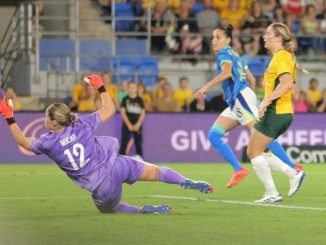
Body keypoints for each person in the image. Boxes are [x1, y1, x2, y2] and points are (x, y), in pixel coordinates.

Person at [0, 75, 213, 214]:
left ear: (53, 122)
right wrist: (101, 86)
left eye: (47, 117)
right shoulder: (80, 124)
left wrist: (10, 117)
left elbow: (23, 141)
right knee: (156, 172)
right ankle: (184, 180)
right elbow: (109, 110)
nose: (45, 120)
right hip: (116, 164)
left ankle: (144, 211)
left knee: (111, 209)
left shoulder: (48, 142)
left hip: (102, 186)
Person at [195, 24, 303, 189]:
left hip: (240, 98)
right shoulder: (236, 55)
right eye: (213, 37)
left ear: (228, 40)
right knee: (214, 135)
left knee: (259, 135)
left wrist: (205, 87)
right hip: (239, 98)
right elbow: (251, 79)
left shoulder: (224, 53)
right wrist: (249, 96)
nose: (214, 41)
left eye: (218, 37)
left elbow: (227, 73)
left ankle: (293, 168)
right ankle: (239, 169)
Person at [247, 22, 306, 203]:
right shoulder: (282, 57)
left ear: (278, 38)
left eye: (268, 33)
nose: (265, 36)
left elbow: (287, 83)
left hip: (277, 111)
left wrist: (265, 101)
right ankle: (292, 173)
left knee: (253, 152)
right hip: (281, 112)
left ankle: (274, 192)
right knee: (255, 151)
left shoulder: (281, 57)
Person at [119, 81, 145, 160]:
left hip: (137, 125)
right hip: (127, 125)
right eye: (130, 87)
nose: (132, 89)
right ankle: (121, 159)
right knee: (124, 142)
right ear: (128, 88)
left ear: (136, 88)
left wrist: (138, 124)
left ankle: (140, 159)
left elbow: (143, 113)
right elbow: (123, 113)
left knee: (138, 143)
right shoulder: (125, 99)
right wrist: (129, 124)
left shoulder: (140, 100)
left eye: (133, 87)